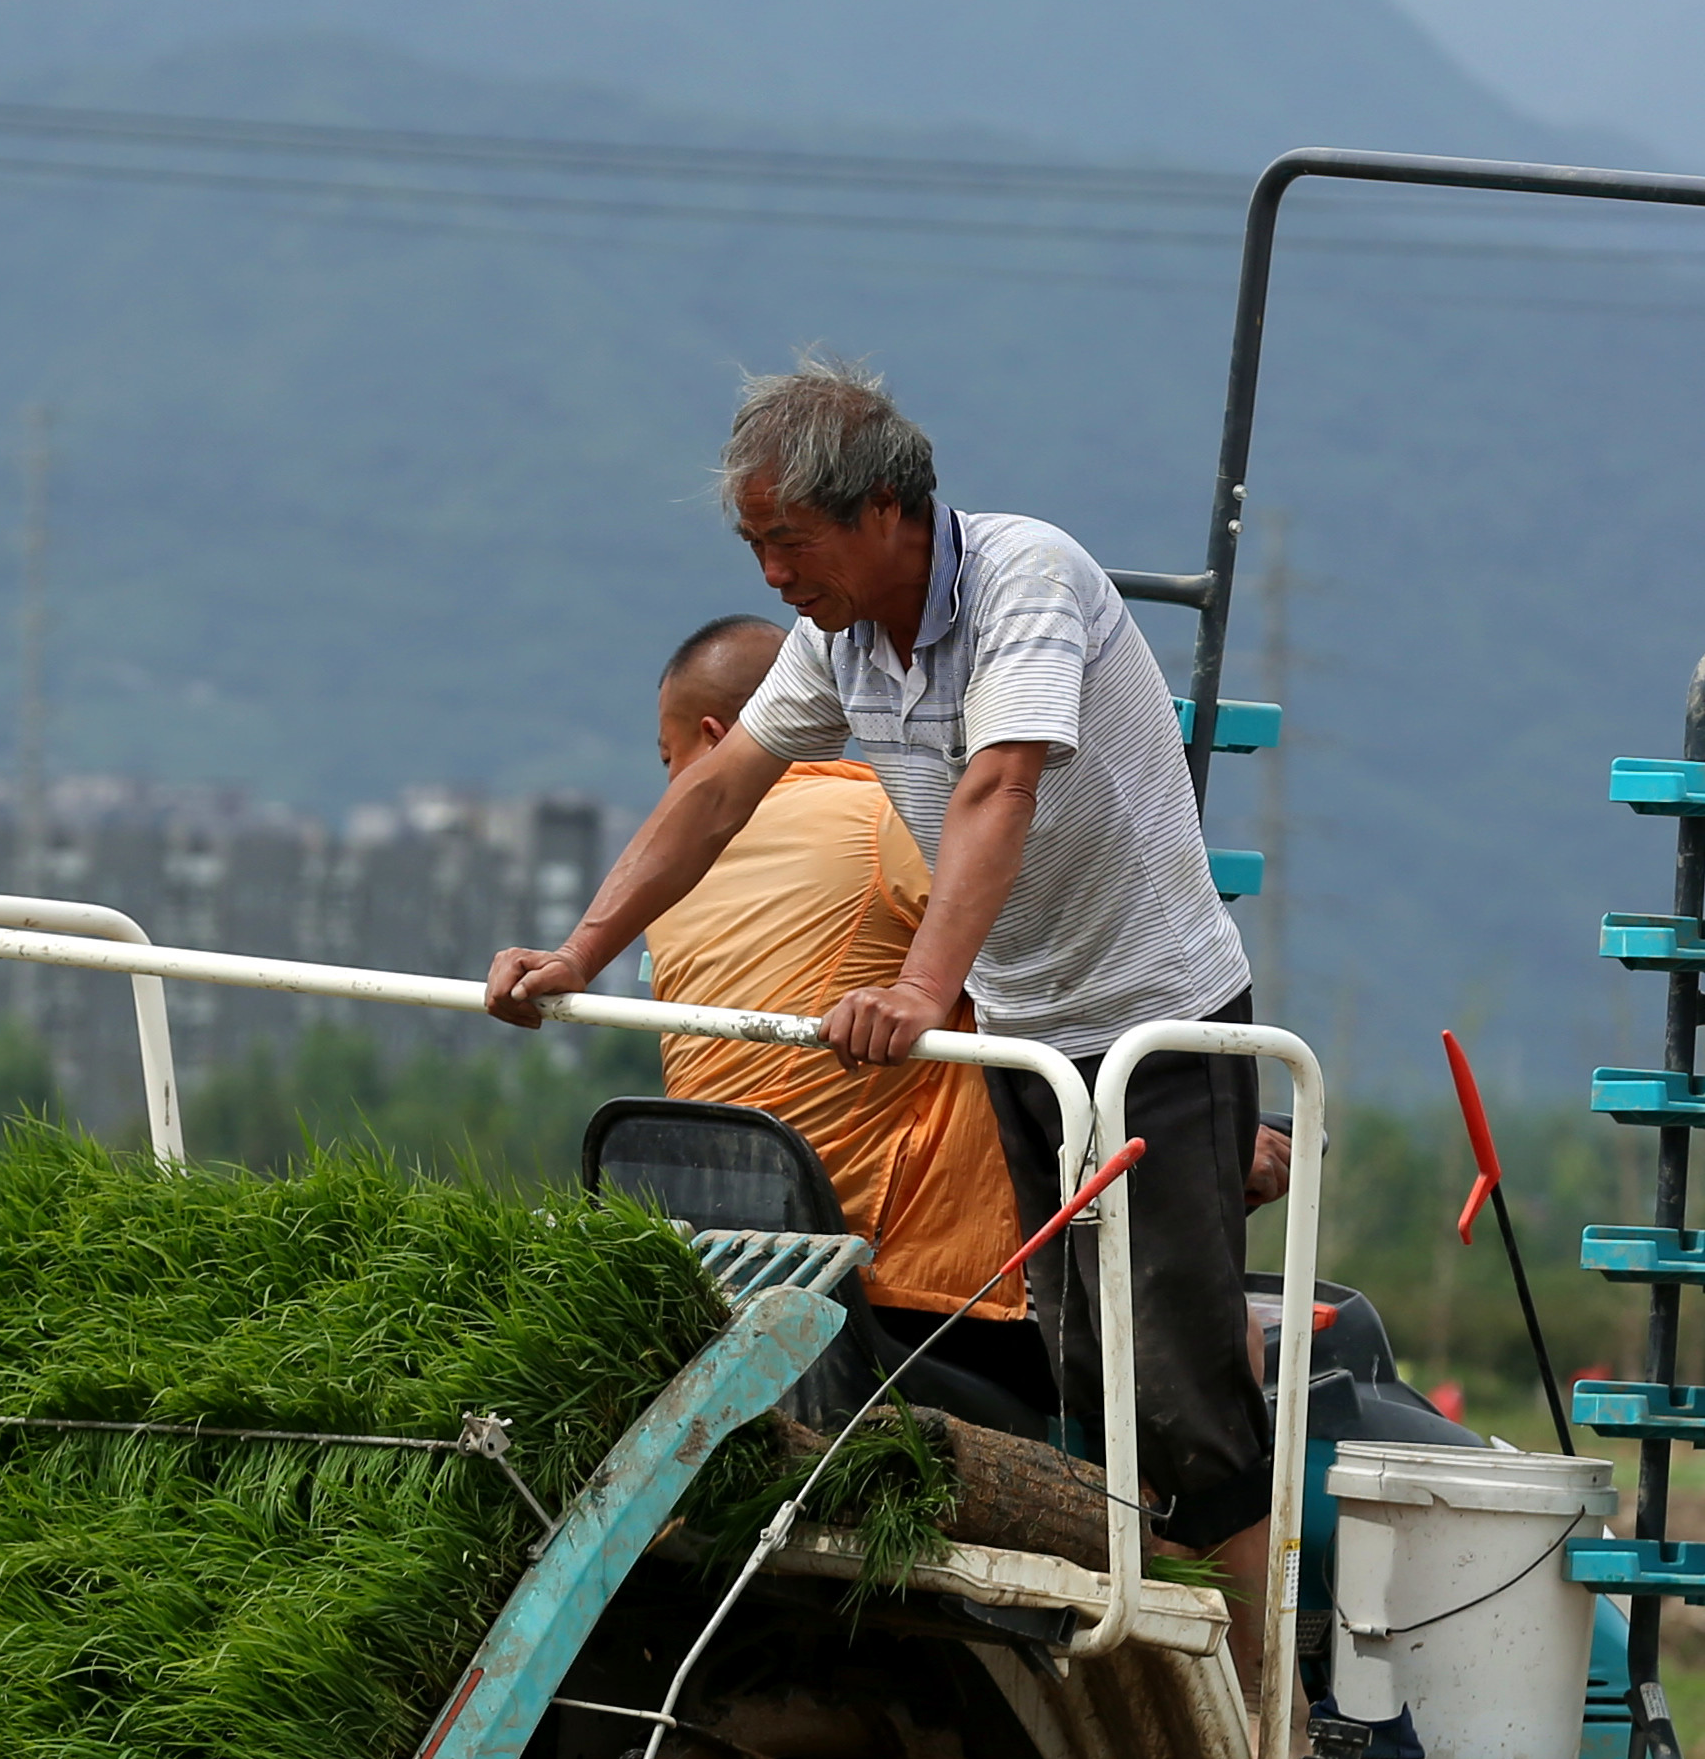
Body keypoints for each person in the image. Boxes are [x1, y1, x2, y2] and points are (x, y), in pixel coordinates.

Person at [490, 358, 1282, 1646]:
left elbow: (1001, 786)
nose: (772, 576)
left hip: (1150, 1028)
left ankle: (1267, 1713)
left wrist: (921, 988)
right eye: (754, 547)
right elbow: (719, 785)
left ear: (887, 516)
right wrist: (578, 956)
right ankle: (1157, 1650)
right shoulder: (835, 646)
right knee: (1084, 1362)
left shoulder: (1026, 578)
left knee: (1184, 1384)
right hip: (1031, 1036)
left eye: (788, 541)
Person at [630, 612, 1047, 1419]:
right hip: (897, 1300)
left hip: (724, 1277)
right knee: (1205, 1359)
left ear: (713, 736)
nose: (670, 785)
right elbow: (1044, 962)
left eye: (667, 759)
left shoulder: (665, 886)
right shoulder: (882, 820)